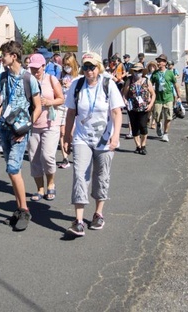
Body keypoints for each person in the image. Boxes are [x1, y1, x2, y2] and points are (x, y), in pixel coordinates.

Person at [0, 40, 41, 231]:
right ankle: (19, 209)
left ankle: (25, 210)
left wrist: (26, 129)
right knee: (13, 172)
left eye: (4, 54)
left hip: (20, 131)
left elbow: (37, 107)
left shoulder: (29, 79)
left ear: (13, 56)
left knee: (13, 169)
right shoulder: (2, 78)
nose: (1, 57)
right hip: (4, 128)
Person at [63, 52, 124, 237]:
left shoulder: (108, 84)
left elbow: (116, 112)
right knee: (79, 174)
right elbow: (71, 113)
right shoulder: (77, 85)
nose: (89, 71)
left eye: (92, 67)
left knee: (101, 176)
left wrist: (115, 136)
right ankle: (79, 220)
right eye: (86, 67)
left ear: (99, 68)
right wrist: (66, 137)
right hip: (82, 138)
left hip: (104, 140)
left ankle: (98, 213)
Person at [27, 53, 64, 201]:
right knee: (34, 157)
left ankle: (51, 184)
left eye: (38, 68)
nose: (35, 71)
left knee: (48, 156)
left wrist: (49, 102)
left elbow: (61, 99)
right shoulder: (27, 80)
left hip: (50, 122)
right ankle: (40, 189)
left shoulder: (51, 79)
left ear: (43, 66)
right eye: (32, 68)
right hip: (32, 124)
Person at [122, 63, 156, 155]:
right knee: (134, 127)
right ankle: (138, 146)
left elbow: (153, 94)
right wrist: (125, 101)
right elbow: (125, 93)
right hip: (132, 108)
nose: (138, 73)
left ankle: (143, 145)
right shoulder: (130, 80)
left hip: (144, 108)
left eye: (140, 71)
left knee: (143, 126)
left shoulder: (146, 80)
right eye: (136, 71)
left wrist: (150, 104)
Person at [151, 53, 181, 143]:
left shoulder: (170, 73)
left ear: (165, 63)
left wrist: (179, 96)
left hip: (168, 98)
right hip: (158, 99)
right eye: (157, 61)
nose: (158, 63)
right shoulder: (155, 74)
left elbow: (175, 84)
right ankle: (159, 124)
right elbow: (150, 84)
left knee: (168, 117)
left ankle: (165, 134)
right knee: (157, 116)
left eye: (160, 61)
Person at [58, 52, 79, 168]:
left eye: (68, 65)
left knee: (72, 133)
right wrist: (61, 84)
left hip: (74, 107)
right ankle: (65, 158)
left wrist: (70, 87)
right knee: (62, 132)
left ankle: (77, 155)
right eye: (65, 65)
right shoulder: (62, 75)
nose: (66, 67)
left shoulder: (79, 77)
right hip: (63, 106)